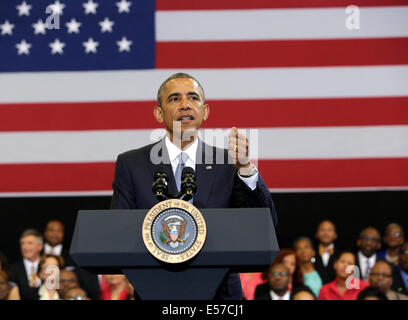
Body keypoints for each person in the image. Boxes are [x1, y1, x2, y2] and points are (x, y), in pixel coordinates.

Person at [110, 73, 278, 300]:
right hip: (156, 290)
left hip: (220, 296)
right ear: (158, 113)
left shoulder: (228, 161)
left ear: (205, 111)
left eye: (193, 98)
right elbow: (119, 230)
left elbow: (264, 224)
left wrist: (246, 168)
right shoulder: (132, 164)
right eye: (174, 99)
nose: (185, 105)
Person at [11, 229, 44, 300]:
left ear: (40, 246)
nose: (25, 247)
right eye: (22, 243)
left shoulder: (49, 265)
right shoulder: (13, 269)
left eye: (30, 243)